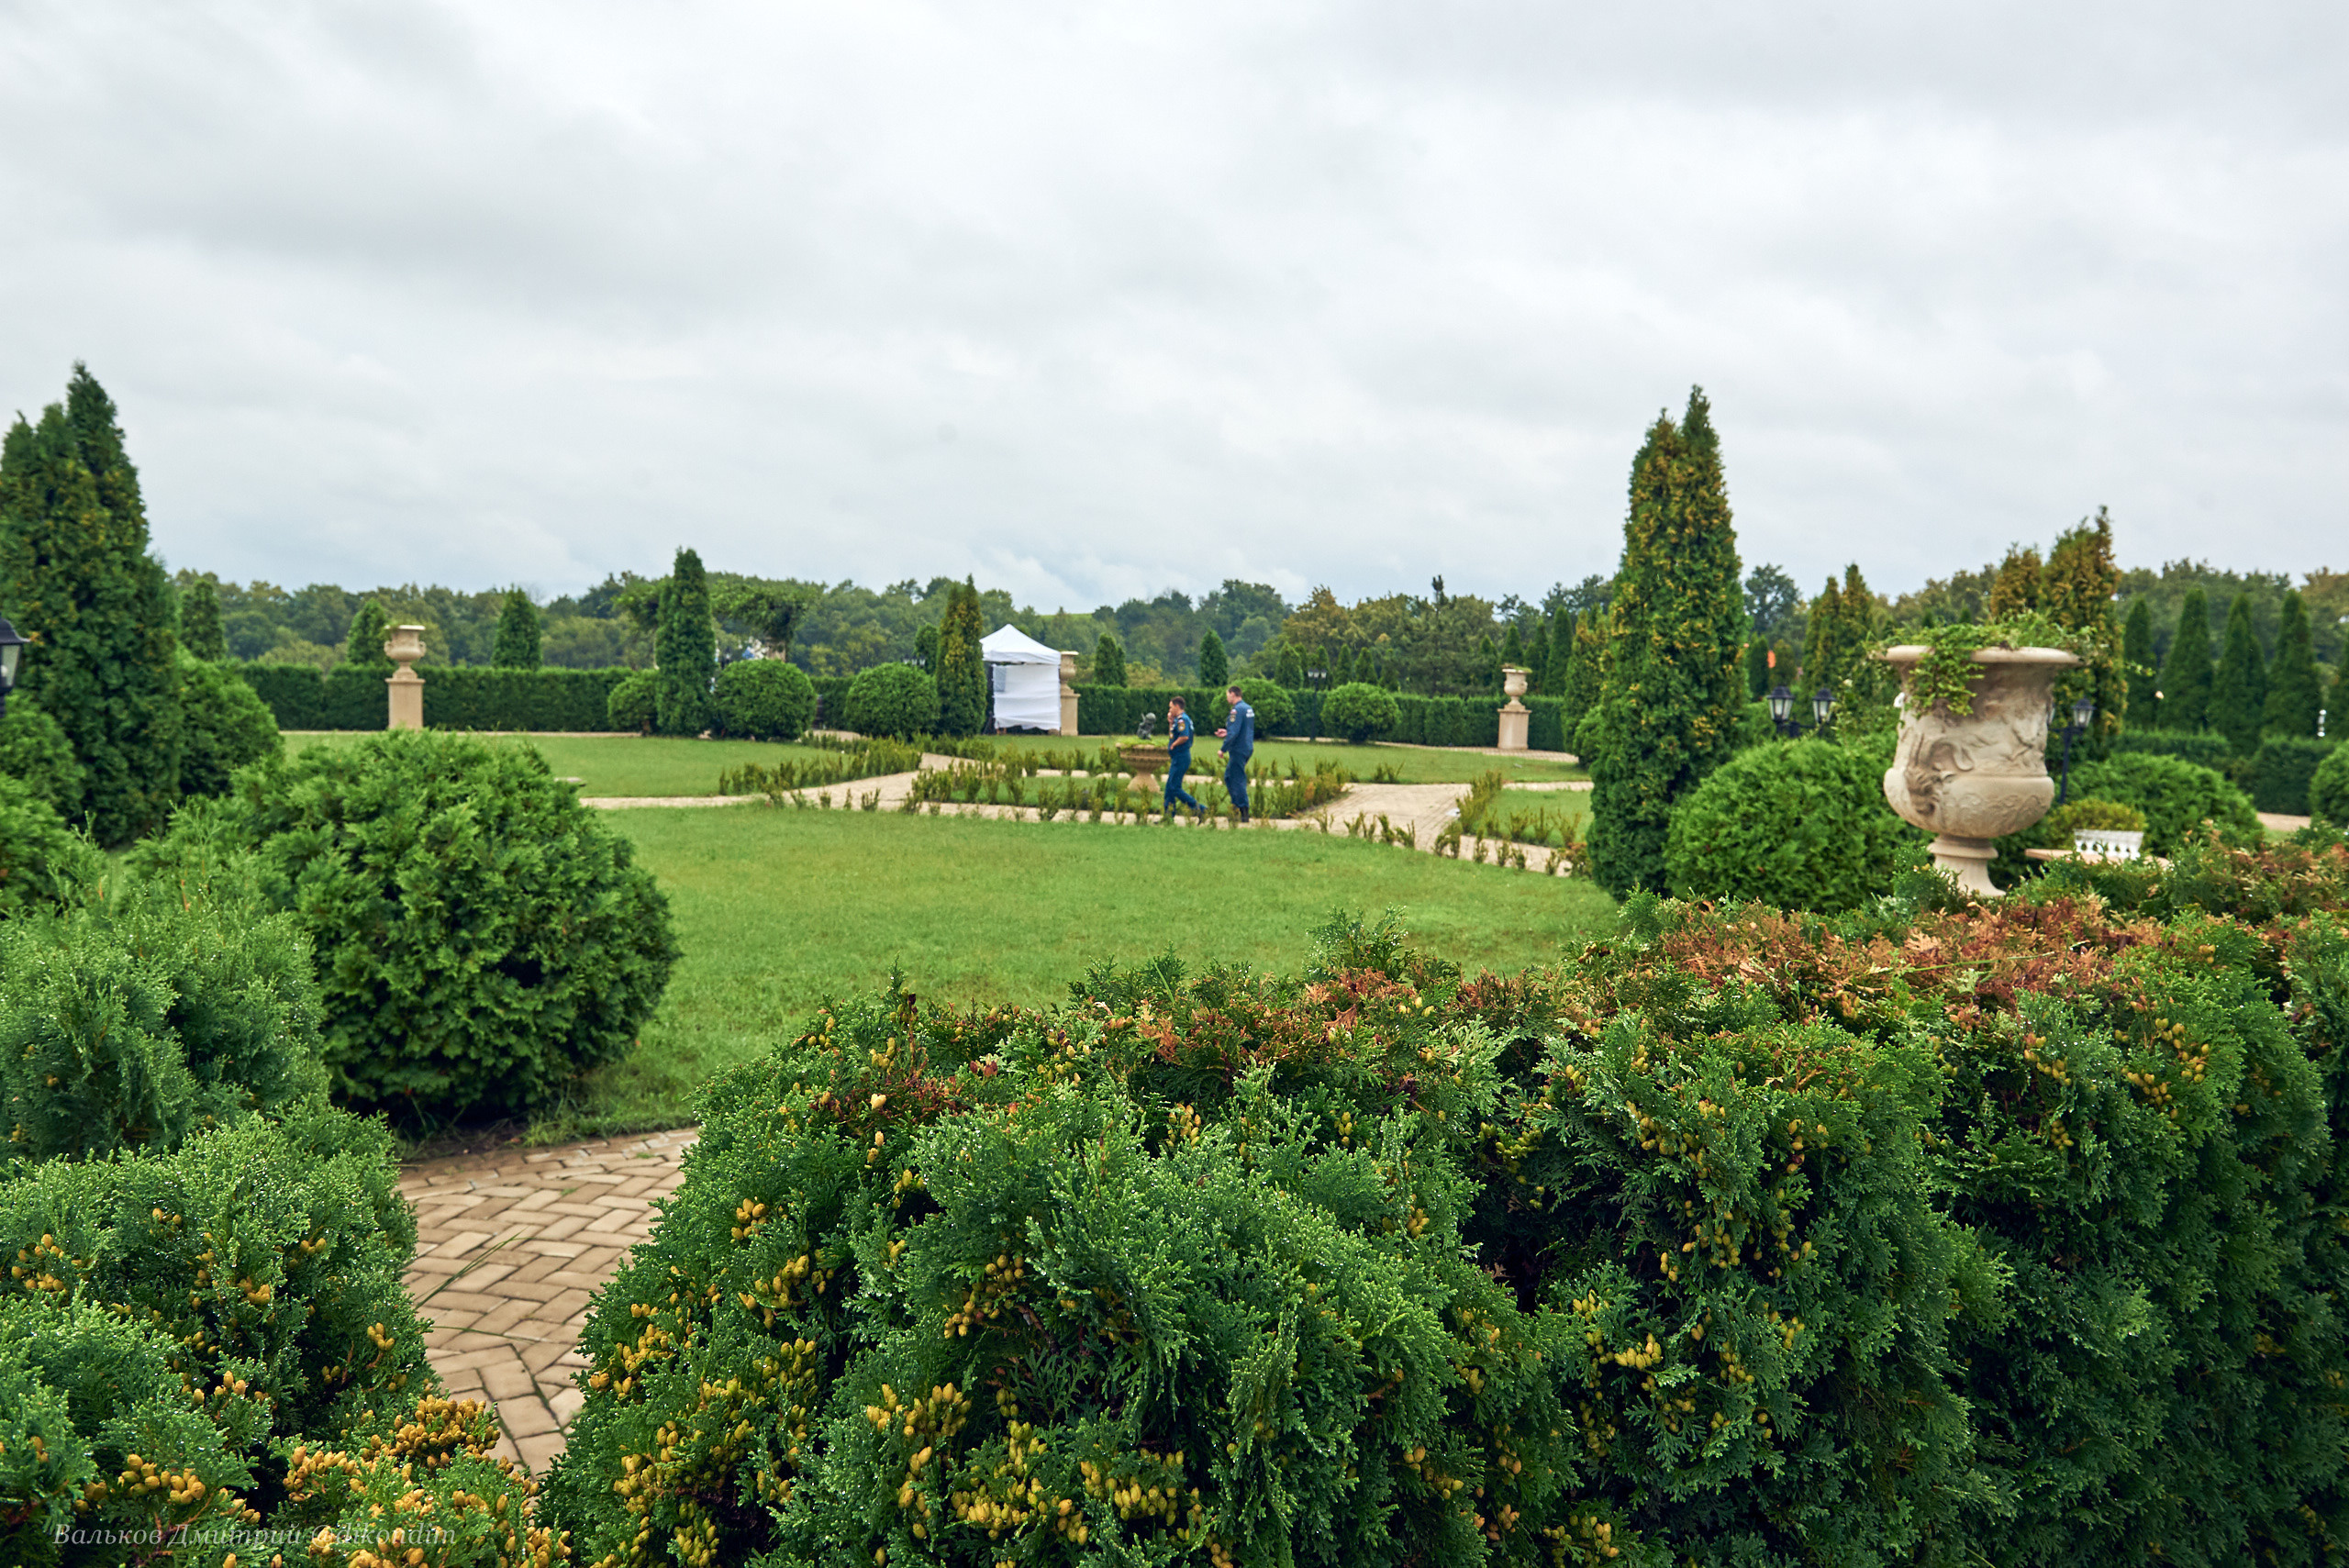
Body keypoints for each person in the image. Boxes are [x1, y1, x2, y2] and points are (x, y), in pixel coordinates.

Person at [1215, 684, 1254, 823]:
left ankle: (1242, 810)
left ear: (1233, 694)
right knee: (1230, 777)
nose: (1227, 699)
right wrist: (1226, 732)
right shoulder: (1248, 708)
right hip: (1246, 746)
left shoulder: (1236, 711)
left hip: (1238, 749)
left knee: (1236, 779)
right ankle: (1236, 807)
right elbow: (1242, 729)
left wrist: (1223, 748)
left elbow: (1234, 733)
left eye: (1227, 695)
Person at [1163, 695, 1206, 820]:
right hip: (1177, 757)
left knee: (1174, 787)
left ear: (1177, 706)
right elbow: (1173, 735)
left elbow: (1184, 736)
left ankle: (1200, 809)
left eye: (1171, 707)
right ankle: (1168, 816)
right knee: (1169, 787)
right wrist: (1170, 723)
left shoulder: (1182, 720)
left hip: (1181, 756)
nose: (1169, 710)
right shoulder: (1178, 720)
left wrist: (1174, 745)